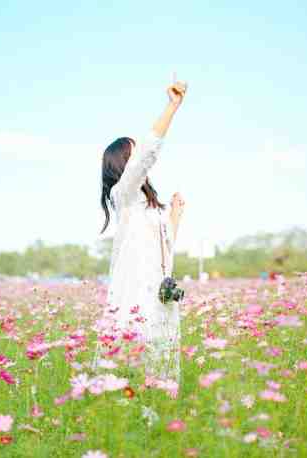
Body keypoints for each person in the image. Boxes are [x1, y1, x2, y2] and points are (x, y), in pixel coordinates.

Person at [92, 79, 188, 383]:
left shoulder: (149, 206)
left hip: (160, 290)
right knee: (133, 360)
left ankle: (160, 410)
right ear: (124, 163)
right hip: (136, 291)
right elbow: (149, 152)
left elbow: (166, 248)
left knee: (160, 359)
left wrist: (174, 216)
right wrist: (172, 107)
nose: (139, 161)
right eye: (133, 156)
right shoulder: (124, 195)